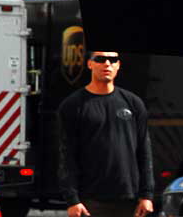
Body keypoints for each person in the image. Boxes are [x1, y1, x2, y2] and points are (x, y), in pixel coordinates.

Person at [58, 51, 155, 217]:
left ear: (118, 65)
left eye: (112, 59)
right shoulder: (73, 106)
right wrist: (73, 200)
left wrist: (147, 195)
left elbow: (144, 152)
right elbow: (67, 156)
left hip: (129, 199)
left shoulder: (133, 103)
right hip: (90, 200)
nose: (107, 64)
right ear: (90, 64)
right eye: (100, 59)